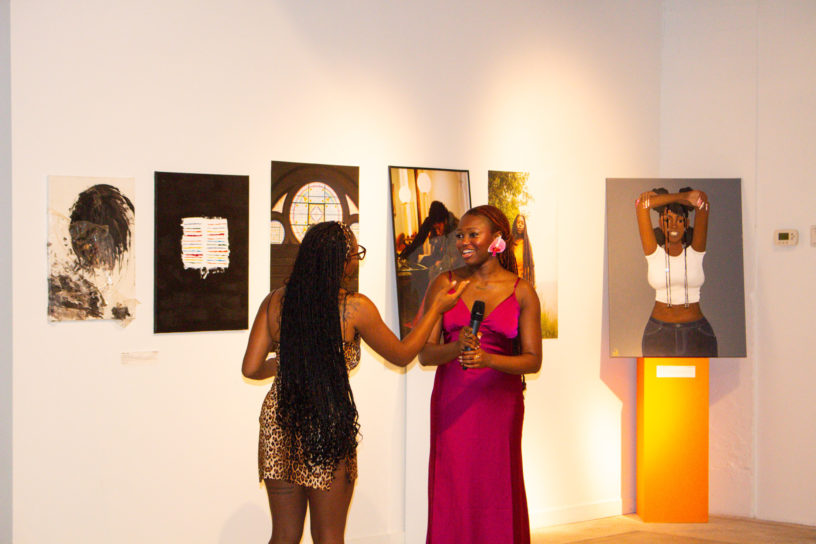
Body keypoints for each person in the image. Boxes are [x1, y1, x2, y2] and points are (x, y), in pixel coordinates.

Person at [242, 221, 467, 544]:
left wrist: (287, 365)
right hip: (327, 421)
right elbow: (403, 354)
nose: (356, 259)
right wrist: (435, 310)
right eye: (355, 253)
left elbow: (251, 368)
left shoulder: (275, 301)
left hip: (280, 421)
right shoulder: (354, 307)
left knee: (284, 535)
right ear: (341, 260)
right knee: (329, 535)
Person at [418, 205, 542, 544]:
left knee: (496, 487)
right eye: (460, 235)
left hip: (500, 408)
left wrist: (488, 359)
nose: (463, 242)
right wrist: (456, 348)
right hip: (453, 403)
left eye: (473, 235)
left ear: (497, 240)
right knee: (454, 488)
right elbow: (426, 354)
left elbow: (532, 361)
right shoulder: (445, 284)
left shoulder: (522, 292)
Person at [635, 187, 717, 356]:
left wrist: (671, 199)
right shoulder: (654, 254)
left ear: (686, 224)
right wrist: (684, 197)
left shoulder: (696, 252)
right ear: (660, 224)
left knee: (704, 381)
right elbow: (641, 206)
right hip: (658, 332)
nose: (673, 225)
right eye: (667, 220)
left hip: (698, 332)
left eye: (679, 220)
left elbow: (703, 202)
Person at [511, 214, 535, 288]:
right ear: (515, 224)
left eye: (522, 223)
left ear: (525, 226)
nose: (520, 225)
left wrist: (532, 285)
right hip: (511, 284)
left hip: (523, 285)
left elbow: (531, 266)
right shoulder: (510, 243)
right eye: (518, 222)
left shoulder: (527, 245)